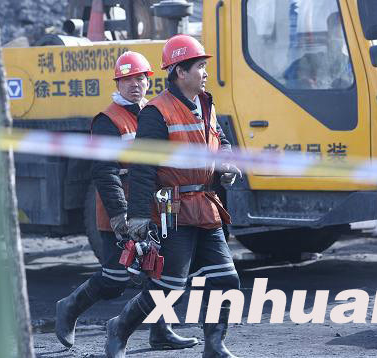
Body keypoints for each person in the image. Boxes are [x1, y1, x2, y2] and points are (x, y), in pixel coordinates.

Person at [104, 35, 241, 358]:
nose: (205, 73)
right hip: (172, 207)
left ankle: (215, 345)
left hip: (206, 206)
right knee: (168, 287)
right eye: (200, 67)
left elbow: (219, 139)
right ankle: (119, 329)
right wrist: (137, 215)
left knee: (226, 279)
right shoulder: (156, 112)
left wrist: (227, 161)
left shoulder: (206, 102)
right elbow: (142, 166)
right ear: (180, 71)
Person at [55, 51, 197, 351]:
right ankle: (68, 307)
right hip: (120, 208)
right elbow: (104, 172)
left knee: (160, 271)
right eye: (127, 79)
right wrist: (120, 215)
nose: (135, 84)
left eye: (140, 78)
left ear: (149, 80)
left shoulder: (152, 112)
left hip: (153, 206)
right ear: (117, 83)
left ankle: (161, 332)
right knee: (115, 277)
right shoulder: (108, 120)